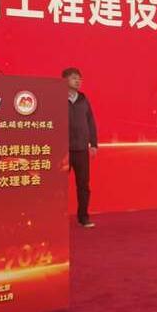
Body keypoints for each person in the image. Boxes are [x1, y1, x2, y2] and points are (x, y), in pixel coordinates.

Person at [63, 67, 97, 228]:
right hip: (63, 150)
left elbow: (91, 122)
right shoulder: (56, 98)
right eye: (74, 78)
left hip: (82, 149)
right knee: (59, 186)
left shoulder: (84, 100)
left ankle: (83, 217)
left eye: (79, 78)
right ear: (64, 80)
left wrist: (93, 144)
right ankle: (56, 218)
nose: (78, 81)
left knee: (83, 185)